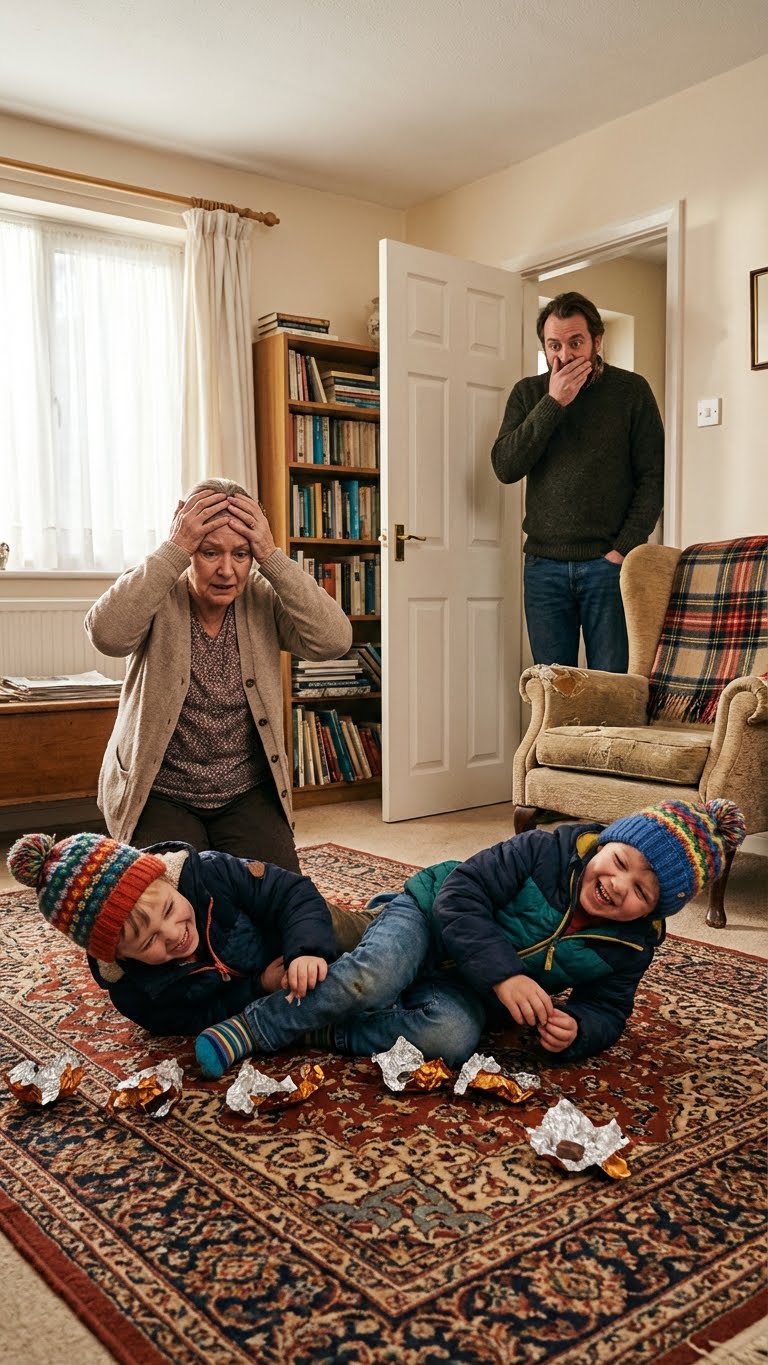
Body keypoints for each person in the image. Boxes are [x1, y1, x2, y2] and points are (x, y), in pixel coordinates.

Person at [6, 830, 483, 1072]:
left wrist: (306, 951)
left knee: (372, 956)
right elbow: (195, 1017)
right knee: (450, 1034)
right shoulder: (137, 994)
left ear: (167, 879)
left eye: (169, 909)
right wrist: (259, 986)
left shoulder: (211, 874)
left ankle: (299, 1012)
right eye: (148, 942)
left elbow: (293, 894)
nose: (172, 934)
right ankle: (321, 1026)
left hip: (314, 937)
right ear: (120, 957)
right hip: (281, 987)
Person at [85, 478, 352, 872]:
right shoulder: (157, 588)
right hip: (160, 793)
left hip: (245, 792)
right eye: (210, 552)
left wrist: (272, 556)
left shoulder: (262, 596)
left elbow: (334, 640)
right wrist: (174, 548)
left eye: (241, 554)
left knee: (280, 895)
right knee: (179, 897)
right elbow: (107, 635)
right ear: (188, 548)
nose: (227, 570)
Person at [491, 291, 664, 672]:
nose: (565, 355)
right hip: (544, 568)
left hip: (609, 566)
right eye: (554, 345)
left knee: (612, 685)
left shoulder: (631, 391)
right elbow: (505, 467)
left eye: (575, 342)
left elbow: (653, 478)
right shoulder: (528, 394)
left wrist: (623, 550)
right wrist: (553, 403)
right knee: (553, 688)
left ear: (597, 341)